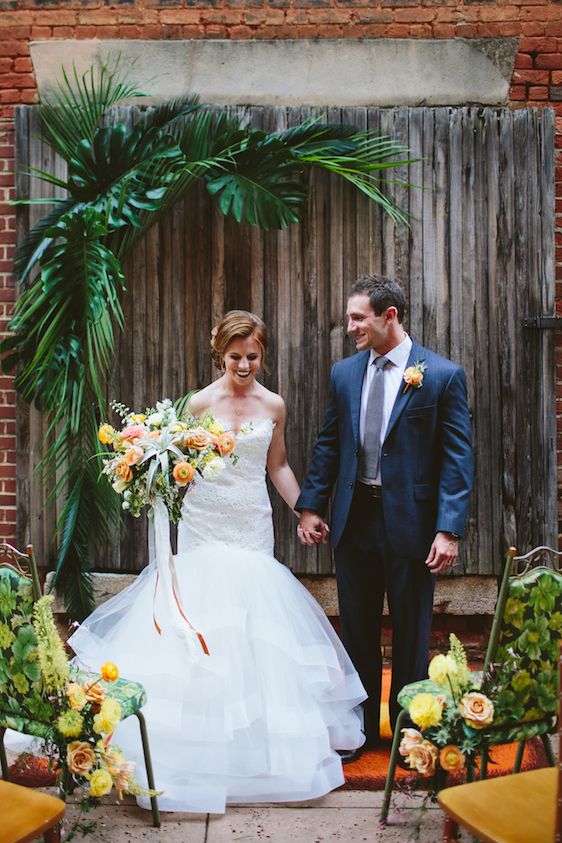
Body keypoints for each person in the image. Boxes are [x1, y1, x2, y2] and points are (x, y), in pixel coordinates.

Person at [69, 310, 366, 814]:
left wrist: (305, 511)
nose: (244, 365)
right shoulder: (197, 403)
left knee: (254, 625)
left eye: (252, 357)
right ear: (219, 354)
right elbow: (174, 463)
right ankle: (190, 747)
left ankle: (257, 752)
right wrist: (150, 472)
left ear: (262, 355)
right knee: (202, 619)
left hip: (250, 524)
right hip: (204, 526)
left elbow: (278, 466)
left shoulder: (274, 405)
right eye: (235, 357)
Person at [296, 276, 473, 760]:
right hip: (354, 521)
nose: (349, 326)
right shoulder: (344, 373)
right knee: (356, 629)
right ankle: (360, 733)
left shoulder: (440, 375)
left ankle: (407, 733)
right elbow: (329, 443)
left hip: (412, 525)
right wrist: (311, 504)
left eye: (358, 318)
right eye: (349, 317)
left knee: (413, 630)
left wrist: (448, 528)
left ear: (388, 316)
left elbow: (457, 460)